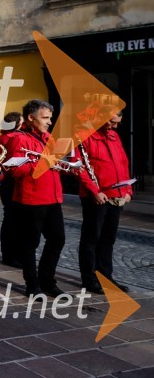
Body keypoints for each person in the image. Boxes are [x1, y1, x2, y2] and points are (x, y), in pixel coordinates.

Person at [6, 100, 66, 297]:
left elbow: (51, 163)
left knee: (57, 240)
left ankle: (48, 281)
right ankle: (32, 285)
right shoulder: (19, 138)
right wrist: (41, 164)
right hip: (31, 199)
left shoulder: (48, 137)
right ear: (31, 118)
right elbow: (13, 169)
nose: (49, 122)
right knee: (29, 244)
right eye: (45, 118)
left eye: (50, 118)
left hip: (53, 197)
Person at [77, 106, 133, 294]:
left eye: (117, 123)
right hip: (97, 197)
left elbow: (123, 164)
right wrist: (95, 191)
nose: (114, 127)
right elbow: (81, 168)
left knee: (108, 239)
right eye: (111, 122)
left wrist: (128, 190)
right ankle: (90, 279)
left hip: (116, 195)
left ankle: (106, 277)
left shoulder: (113, 136)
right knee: (92, 238)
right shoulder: (85, 136)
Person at [0, 111, 24, 267]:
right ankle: (10, 255)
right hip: (11, 180)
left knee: (11, 219)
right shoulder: (11, 138)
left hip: (9, 181)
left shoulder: (4, 136)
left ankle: (10, 254)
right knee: (12, 220)